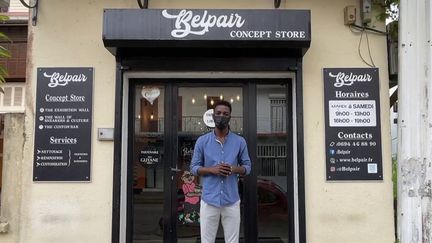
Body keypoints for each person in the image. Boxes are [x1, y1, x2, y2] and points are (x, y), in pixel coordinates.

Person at [190, 100, 251, 243]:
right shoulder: (202, 141)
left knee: (232, 241)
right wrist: (212, 169)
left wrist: (233, 169)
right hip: (209, 200)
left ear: (230, 117)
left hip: (231, 201)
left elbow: (247, 167)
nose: (221, 116)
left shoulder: (239, 141)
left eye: (225, 114)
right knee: (207, 240)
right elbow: (194, 168)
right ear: (213, 116)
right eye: (218, 113)